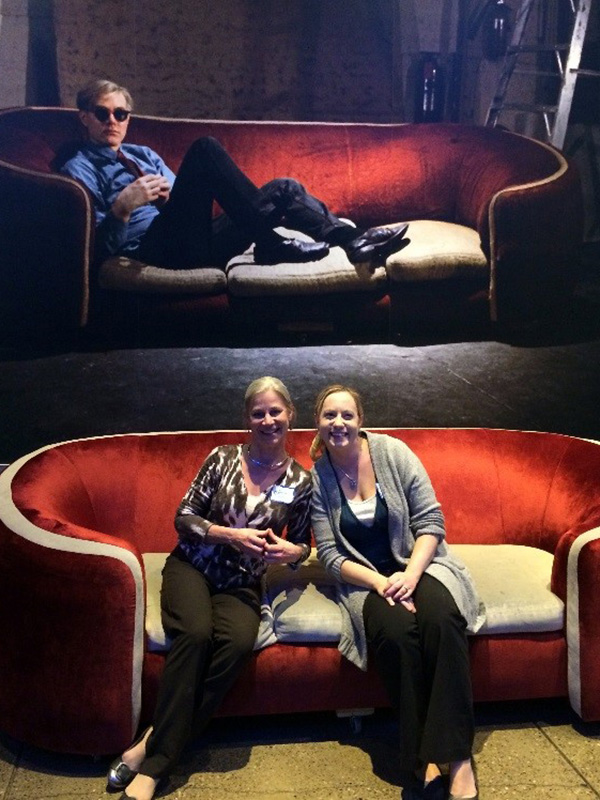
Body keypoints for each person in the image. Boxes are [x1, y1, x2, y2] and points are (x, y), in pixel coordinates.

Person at [106, 376, 312, 800]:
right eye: (259, 413)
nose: (268, 420)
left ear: (291, 415)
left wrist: (289, 552)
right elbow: (183, 518)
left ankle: (148, 744)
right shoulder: (222, 458)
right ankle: (157, 769)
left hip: (242, 585)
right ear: (246, 419)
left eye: (276, 411)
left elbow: (303, 545)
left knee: (236, 644)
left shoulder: (301, 480)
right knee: (197, 635)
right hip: (192, 569)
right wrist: (229, 535)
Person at [310, 385, 485, 800]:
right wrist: (381, 583)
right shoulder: (317, 477)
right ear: (317, 422)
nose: (339, 423)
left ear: (361, 419)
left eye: (347, 415)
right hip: (366, 581)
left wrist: (409, 574)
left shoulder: (393, 453)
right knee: (397, 635)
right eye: (329, 415)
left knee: (442, 620)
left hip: (421, 563)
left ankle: (457, 759)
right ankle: (421, 759)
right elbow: (330, 556)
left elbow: (431, 521)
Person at [61, 79, 410, 269]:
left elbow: (187, 203)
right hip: (155, 249)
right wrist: (123, 207)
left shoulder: (143, 155)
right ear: (84, 117)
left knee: (284, 188)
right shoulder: (78, 167)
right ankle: (271, 244)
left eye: (120, 114)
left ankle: (355, 240)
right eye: (102, 113)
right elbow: (91, 250)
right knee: (205, 149)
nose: (112, 122)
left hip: (193, 238)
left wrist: (171, 198)